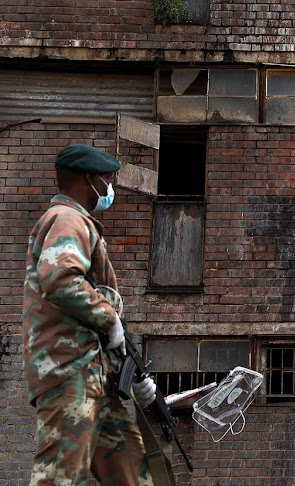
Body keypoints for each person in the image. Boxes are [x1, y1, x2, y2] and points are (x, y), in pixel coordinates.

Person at [23, 143, 158, 486]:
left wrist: (135, 377)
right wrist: (109, 318)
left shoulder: (79, 223)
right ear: (89, 179)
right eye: (108, 180)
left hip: (95, 380)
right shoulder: (67, 219)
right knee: (59, 479)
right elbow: (60, 279)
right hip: (70, 375)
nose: (110, 189)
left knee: (132, 474)